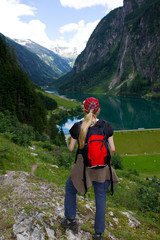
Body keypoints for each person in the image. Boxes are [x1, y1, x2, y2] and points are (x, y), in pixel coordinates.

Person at [61, 97, 119, 240]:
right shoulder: (106, 126)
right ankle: (99, 233)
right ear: (98, 110)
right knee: (100, 198)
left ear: (84, 110)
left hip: (82, 166)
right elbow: (112, 148)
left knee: (70, 188)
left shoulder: (78, 126)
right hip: (102, 167)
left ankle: (70, 219)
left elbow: (71, 148)